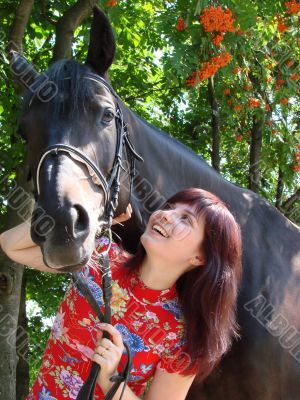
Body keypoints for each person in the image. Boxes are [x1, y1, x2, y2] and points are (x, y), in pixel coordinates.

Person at [0, 188, 242, 400]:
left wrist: (112, 380)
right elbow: (11, 244)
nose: (165, 215)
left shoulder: (184, 338)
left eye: (186, 219)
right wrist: (80, 217)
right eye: (169, 207)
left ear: (199, 258)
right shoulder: (99, 256)